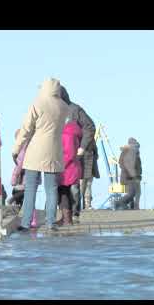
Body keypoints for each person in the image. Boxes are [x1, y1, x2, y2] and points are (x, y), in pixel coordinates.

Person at [12, 78, 70, 231]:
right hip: (54, 151)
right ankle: (50, 223)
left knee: (30, 187)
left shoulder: (38, 103)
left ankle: (25, 223)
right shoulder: (64, 107)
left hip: (36, 150)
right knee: (51, 189)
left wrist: (16, 148)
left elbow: (26, 128)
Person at [59, 86, 100, 221]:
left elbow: (90, 126)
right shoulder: (52, 110)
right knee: (61, 186)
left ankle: (76, 213)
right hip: (59, 154)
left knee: (76, 187)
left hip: (77, 154)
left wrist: (82, 147)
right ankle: (64, 214)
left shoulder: (75, 110)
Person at [8, 129, 41, 228]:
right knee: (30, 198)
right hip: (35, 175)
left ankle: (28, 220)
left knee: (25, 197)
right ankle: (33, 220)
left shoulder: (23, 148)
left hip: (25, 177)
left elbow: (19, 165)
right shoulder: (34, 145)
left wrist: (14, 178)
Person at [56, 117, 82, 226]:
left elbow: (68, 153)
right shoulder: (74, 131)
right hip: (73, 167)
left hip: (66, 168)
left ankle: (67, 219)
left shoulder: (66, 133)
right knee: (68, 192)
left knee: (63, 193)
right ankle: (66, 217)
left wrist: (61, 165)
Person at [115, 137, 142, 210]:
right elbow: (124, 164)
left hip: (133, 176)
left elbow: (137, 165)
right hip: (129, 177)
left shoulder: (134, 153)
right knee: (132, 193)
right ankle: (119, 203)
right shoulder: (127, 152)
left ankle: (135, 207)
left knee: (136, 193)